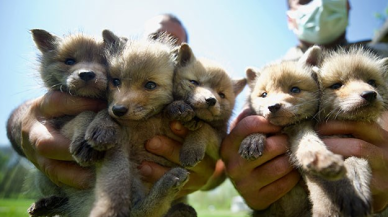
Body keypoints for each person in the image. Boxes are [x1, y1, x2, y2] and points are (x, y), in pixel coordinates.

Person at [6, 13, 221, 202]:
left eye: (174, 46)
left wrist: (207, 173)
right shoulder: (110, 63)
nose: (162, 48)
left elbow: (219, 164)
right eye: (155, 37)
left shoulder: (190, 85)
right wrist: (23, 123)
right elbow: (36, 108)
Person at [221, 0, 388, 214]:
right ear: (290, 18)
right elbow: (220, 164)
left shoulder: (380, 55)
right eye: (305, 0)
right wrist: (235, 169)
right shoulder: (269, 73)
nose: (320, 3)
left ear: (347, 5)